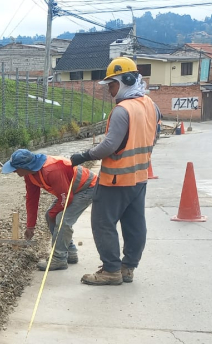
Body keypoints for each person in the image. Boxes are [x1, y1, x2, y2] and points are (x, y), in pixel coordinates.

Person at [68, 57, 161, 286]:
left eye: (112, 84)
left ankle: (111, 270)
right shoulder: (150, 105)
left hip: (116, 179)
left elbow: (109, 146)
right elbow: (153, 137)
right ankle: (128, 268)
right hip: (139, 178)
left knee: (102, 222)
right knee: (134, 223)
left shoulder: (123, 110)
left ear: (126, 80)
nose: (109, 90)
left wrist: (84, 155)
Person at [2, 149, 98, 271]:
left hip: (87, 187)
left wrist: (54, 213)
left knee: (62, 219)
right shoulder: (29, 175)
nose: (14, 171)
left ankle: (59, 259)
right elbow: (32, 199)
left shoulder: (52, 170)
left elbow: (66, 199)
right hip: (70, 189)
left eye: (15, 168)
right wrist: (30, 226)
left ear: (26, 166)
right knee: (50, 216)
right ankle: (70, 251)